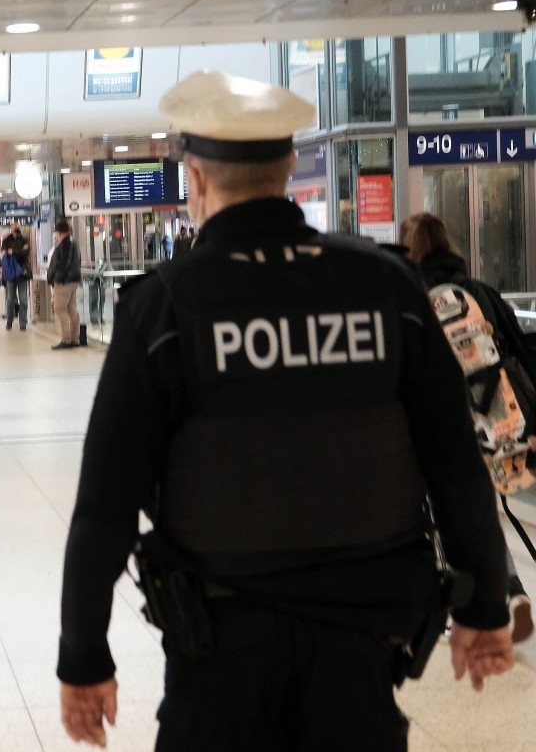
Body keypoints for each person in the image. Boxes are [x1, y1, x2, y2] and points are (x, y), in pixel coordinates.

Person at [58, 71, 514, 751]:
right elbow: (454, 463)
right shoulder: (387, 284)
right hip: (364, 646)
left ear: (196, 179)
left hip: (218, 650)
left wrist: (84, 655)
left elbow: (106, 501)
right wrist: (484, 605)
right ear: (289, 167)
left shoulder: (166, 306)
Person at [399, 211, 534, 644]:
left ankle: (496, 596)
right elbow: (520, 351)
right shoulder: (480, 292)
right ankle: (509, 594)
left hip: (445, 431)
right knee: (484, 511)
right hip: (499, 419)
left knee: (450, 515)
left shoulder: (413, 300)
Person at [48, 219, 82, 350]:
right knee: (71, 309)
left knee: (60, 309)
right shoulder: (73, 244)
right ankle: (75, 338)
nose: (56, 236)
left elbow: (63, 264)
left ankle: (66, 339)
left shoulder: (65, 244)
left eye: (56, 233)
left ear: (60, 233)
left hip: (64, 282)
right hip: (73, 281)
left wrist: (56, 278)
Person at [0, 221, 31, 330]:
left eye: (18, 227)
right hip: (11, 272)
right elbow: (4, 252)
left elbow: (26, 253)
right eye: (14, 226)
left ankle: (23, 322)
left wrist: (14, 251)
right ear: (11, 228)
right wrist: (20, 250)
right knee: (10, 298)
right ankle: (9, 321)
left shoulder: (24, 239)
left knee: (23, 299)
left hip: (22, 272)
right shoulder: (7, 240)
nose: (16, 228)